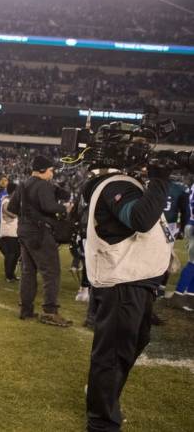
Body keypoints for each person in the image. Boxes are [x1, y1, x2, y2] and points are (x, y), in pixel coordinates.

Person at [81, 162, 173, 432]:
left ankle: (103, 397)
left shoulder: (118, 184)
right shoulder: (115, 185)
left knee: (130, 345)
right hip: (123, 281)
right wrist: (159, 179)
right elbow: (141, 220)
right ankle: (101, 423)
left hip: (134, 280)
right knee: (112, 353)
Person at [8, 156, 73, 327]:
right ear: (43, 170)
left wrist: (28, 215)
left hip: (23, 232)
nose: (52, 174)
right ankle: (50, 311)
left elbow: (11, 208)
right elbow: (49, 207)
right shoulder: (43, 185)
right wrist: (64, 208)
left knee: (28, 272)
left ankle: (26, 309)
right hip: (40, 233)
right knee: (51, 271)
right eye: (51, 170)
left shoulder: (22, 184)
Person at [0, 182, 19, 283]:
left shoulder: (10, 200)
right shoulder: (6, 201)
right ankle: (8, 275)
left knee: (16, 254)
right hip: (8, 231)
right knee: (11, 254)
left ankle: (12, 274)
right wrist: (18, 213)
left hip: (14, 231)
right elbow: (8, 212)